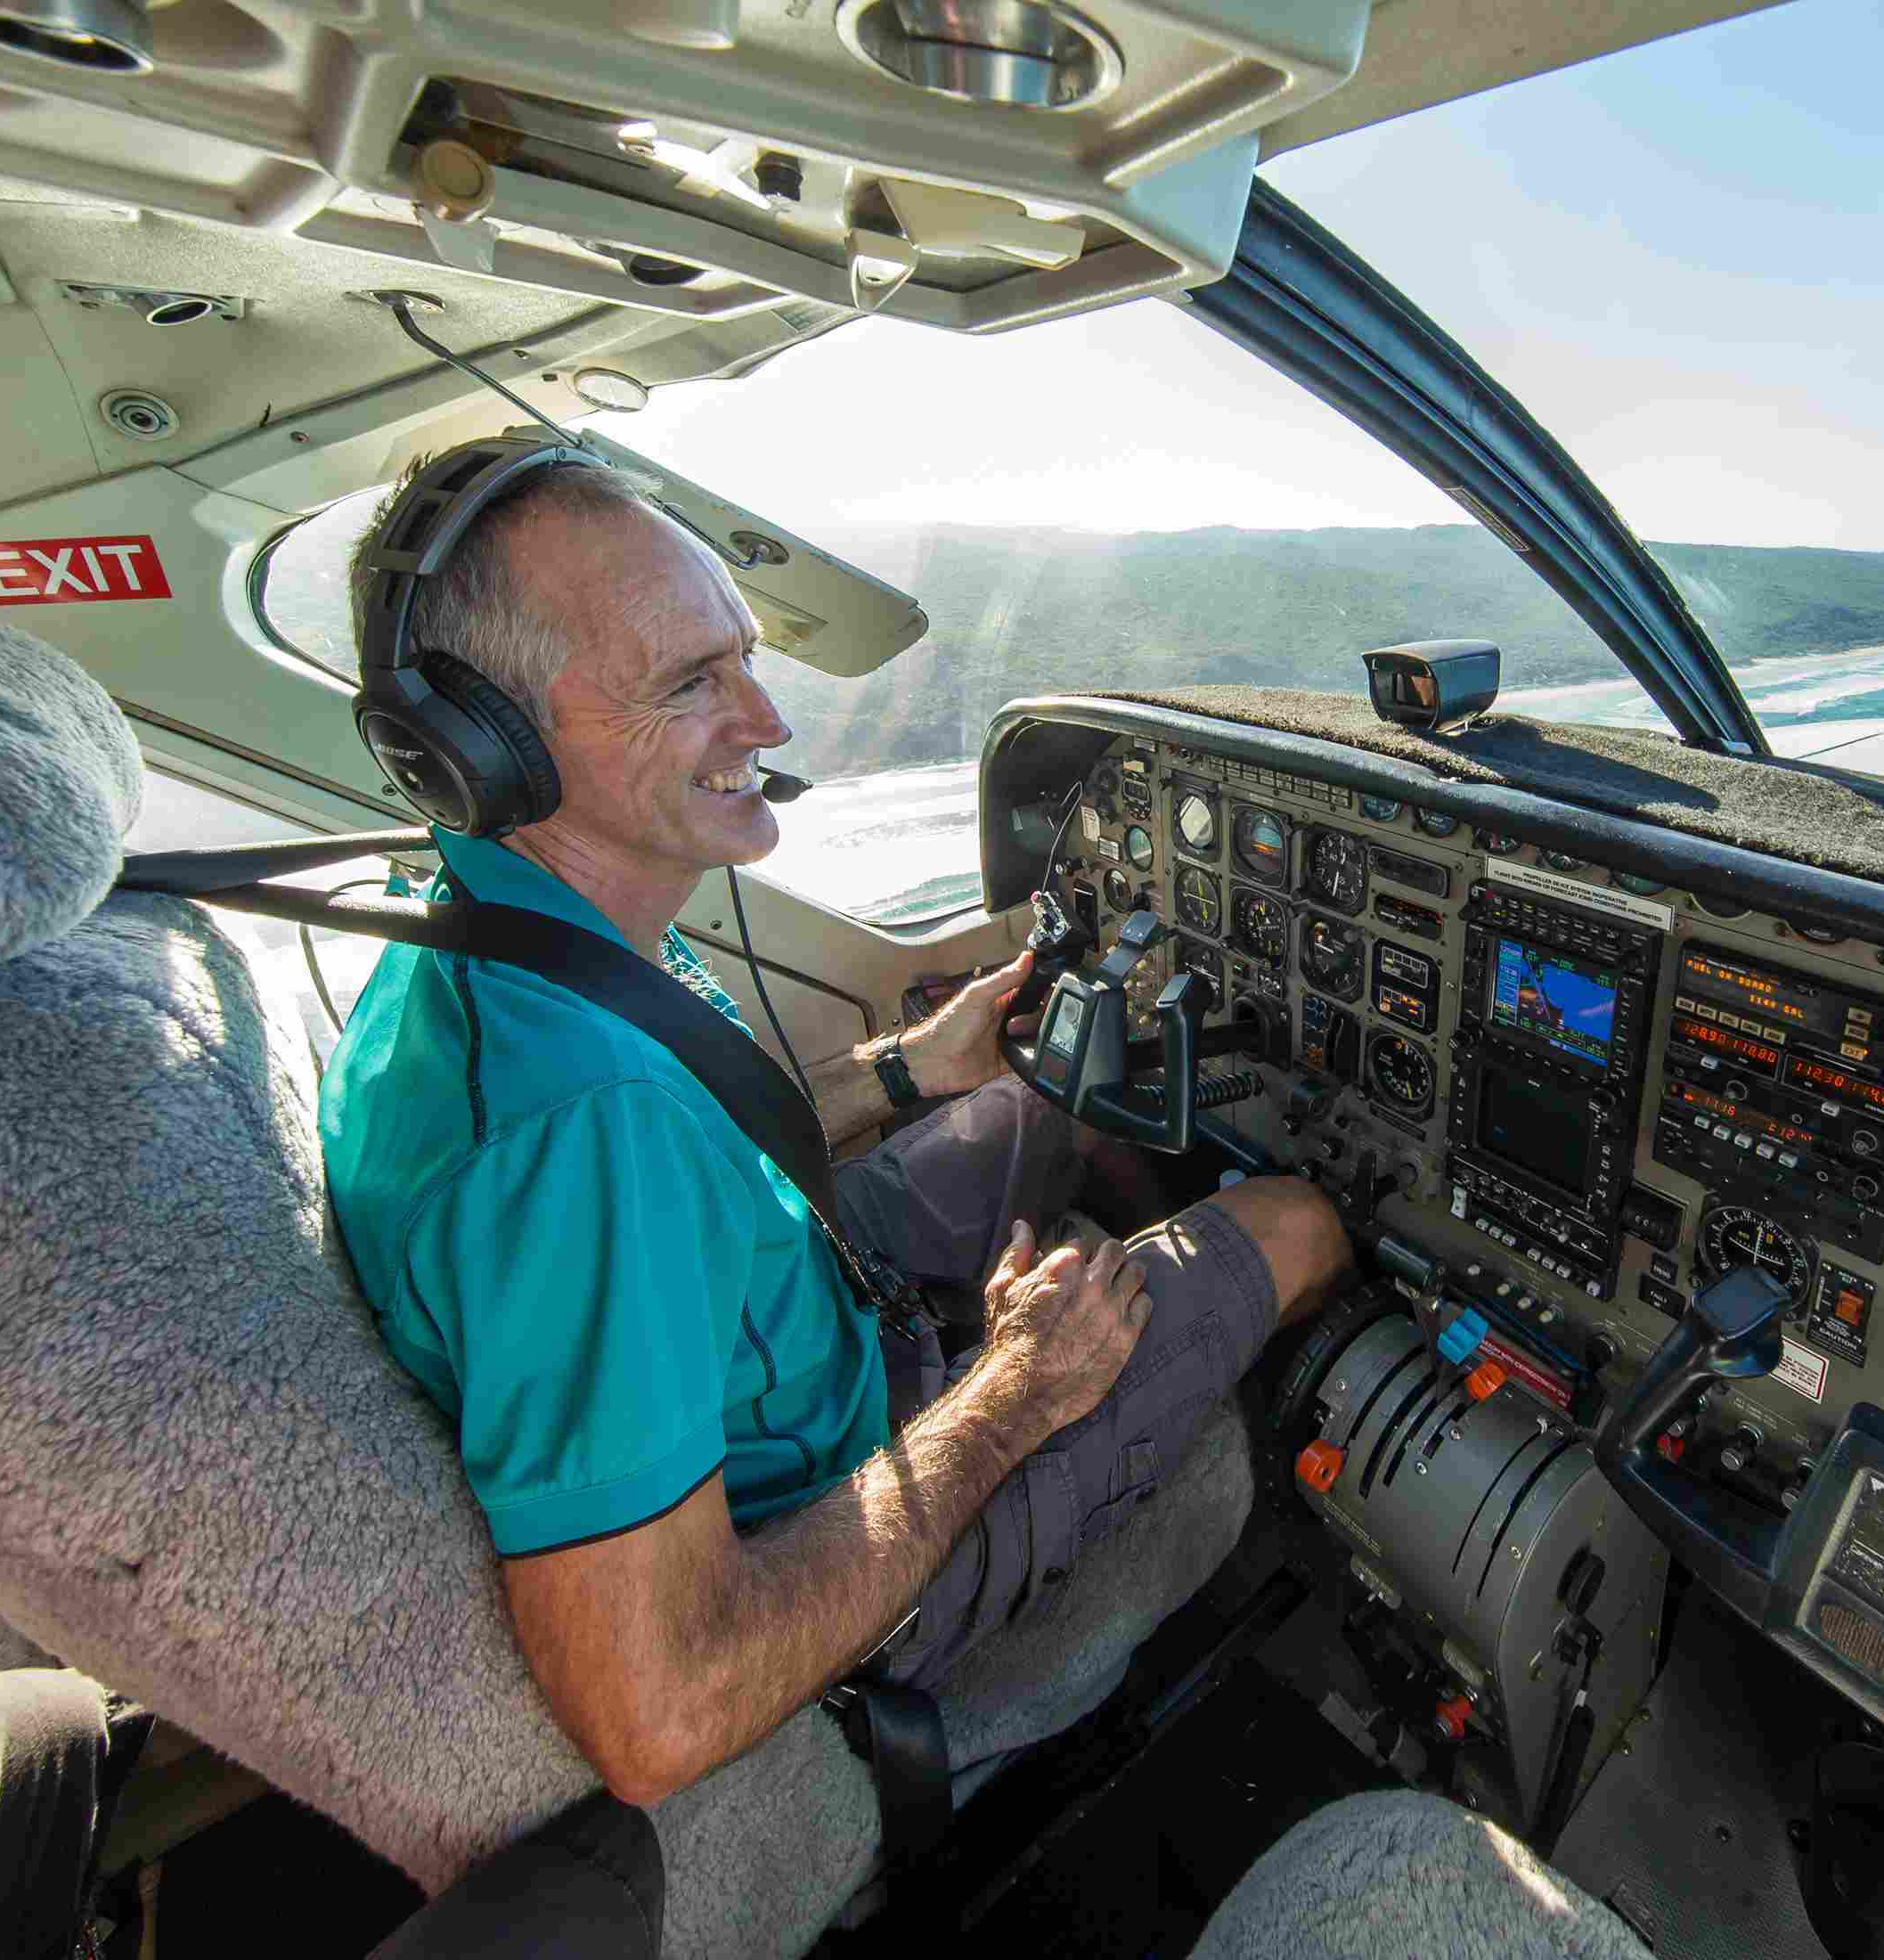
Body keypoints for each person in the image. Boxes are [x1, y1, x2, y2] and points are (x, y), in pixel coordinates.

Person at [316, 462, 1350, 1809]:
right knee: (1297, 1223)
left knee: (1041, 1083)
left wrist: (911, 1071)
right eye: (690, 682)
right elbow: (661, 1711)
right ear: (485, 742)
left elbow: (708, 1142)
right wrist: (1016, 1390)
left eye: (744, 656)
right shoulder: (578, 1139)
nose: (767, 718)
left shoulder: (509, 943)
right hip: (835, 1527)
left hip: (795, 1305)